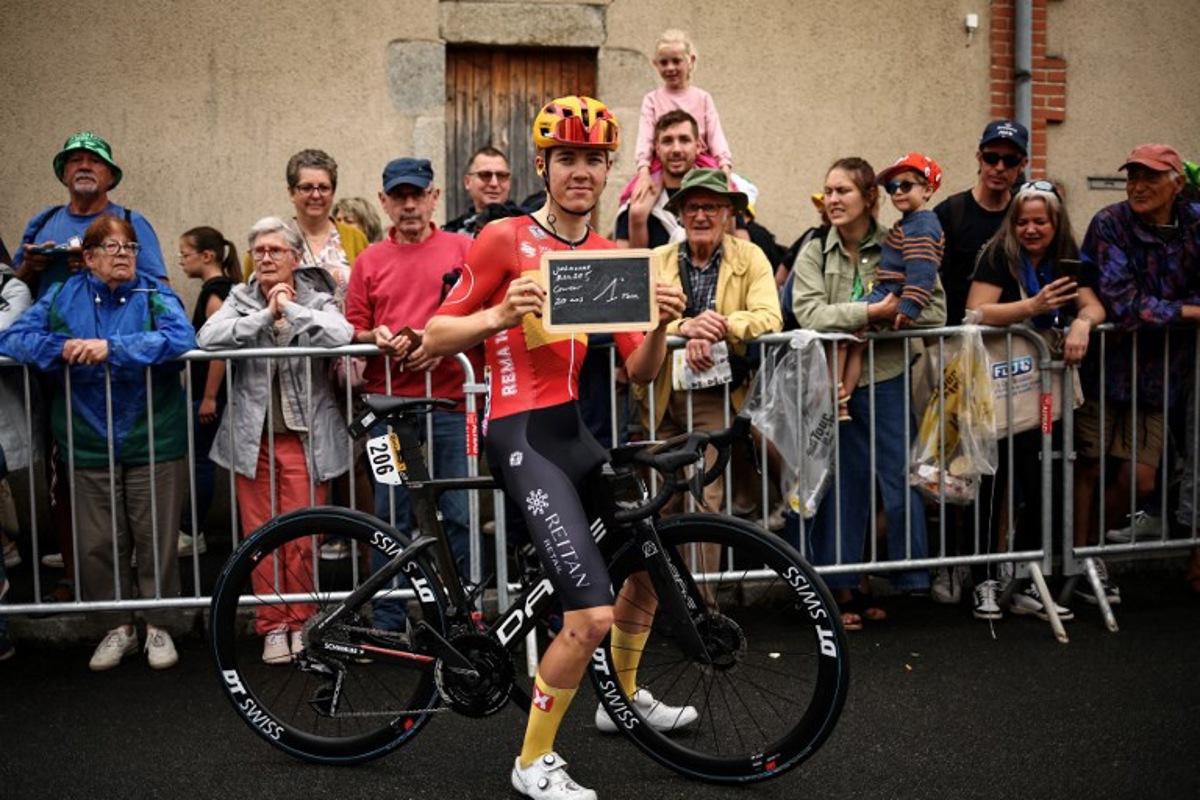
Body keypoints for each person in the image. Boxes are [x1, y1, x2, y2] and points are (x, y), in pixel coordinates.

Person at [424, 95, 688, 800]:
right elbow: (434, 336)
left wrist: (662, 327)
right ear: (543, 166)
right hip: (520, 436)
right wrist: (497, 314)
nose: (580, 171)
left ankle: (619, 699)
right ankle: (532, 760)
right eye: (566, 157)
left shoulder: (608, 256)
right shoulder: (504, 238)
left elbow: (639, 371)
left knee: (644, 568)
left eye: (593, 160)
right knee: (590, 615)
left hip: (575, 432)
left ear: (607, 171)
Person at [0, 215, 194, 670]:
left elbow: (181, 337)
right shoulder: (61, 295)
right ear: (88, 258)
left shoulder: (154, 292)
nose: (123, 255)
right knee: (97, 541)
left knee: (155, 536)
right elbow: (14, 337)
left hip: (153, 435)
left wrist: (114, 349)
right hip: (86, 436)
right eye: (111, 247)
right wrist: (62, 349)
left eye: (129, 247)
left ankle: (159, 624)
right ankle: (117, 625)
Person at [792, 157, 946, 630]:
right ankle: (842, 585)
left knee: (900, 479)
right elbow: (808, 314)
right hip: (831, 383)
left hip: (887, 377)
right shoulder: (815, 250)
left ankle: (906, 579)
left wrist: (881, 315)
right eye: (828, 191)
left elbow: (936, 311)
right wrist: (870, 313)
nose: (833, 200)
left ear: (869, 197)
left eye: (843, 191)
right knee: (843, 485)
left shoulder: (900, 240)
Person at [197, 217, 353, 664]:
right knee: (259, 537)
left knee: (302, 536)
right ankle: (272, 625)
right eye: (259, 250)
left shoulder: (317, 295)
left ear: (295, 257)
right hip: (253, 441)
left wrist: (290, 308)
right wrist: (265, 316)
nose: (266, 258)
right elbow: (207, 338)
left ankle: (302, 621)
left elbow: (341, 334)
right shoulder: (240, 298)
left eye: (275, 250)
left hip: (305, 440)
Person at [343, 157, 476, 629]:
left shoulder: (464, 248)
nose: (409, 204)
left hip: (450, 404)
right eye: (399, 196)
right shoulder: (369, 260)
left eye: (417, 194)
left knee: (457, 513)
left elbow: (485, 316)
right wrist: (374, 336)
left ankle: (460, 613)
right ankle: (388, 616)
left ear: (434, 198)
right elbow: (353, 328)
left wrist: (443, 346)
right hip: (388, 408)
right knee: (389, 515)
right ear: (384, 202)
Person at [965, 181, 1105, 621]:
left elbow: (1093, 305)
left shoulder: (1067, 258)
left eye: (1039, 221)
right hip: (1001, 385)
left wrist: (1082, 323)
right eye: (1022, 221)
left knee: (1043, 482)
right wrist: (1032, 306)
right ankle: (985, 580)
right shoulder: (998, 254)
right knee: (993, 484)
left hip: (1044, 391)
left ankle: (1027, 580)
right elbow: (977, 311)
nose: (1030, 229)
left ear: (1056, 223)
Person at [1077, 144, 1200, 604]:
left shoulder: (1195, 222)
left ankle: (1089, 554)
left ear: (1177, 183)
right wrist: (1190, 312)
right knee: (1088, 467)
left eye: (1150, 177)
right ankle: (1079, 564)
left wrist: (1174, 312)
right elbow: (1125, 303)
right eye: (1132, 176)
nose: (1138, 186)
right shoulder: (1109, 222)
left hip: (1161, 376)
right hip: (1104, 367)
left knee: (1141, 480)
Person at [634, 168, 782, 514]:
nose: (701, 216)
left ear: (728, 213)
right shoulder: (657, 259)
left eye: (711, 207)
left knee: (704, 496)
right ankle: (666, 554)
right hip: (660, 390)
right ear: (680, 215)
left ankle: (703, 556)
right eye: (692, 207)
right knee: (662, 499)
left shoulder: (751, 256)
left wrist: (719, 326)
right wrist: (686, 327)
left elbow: (769, 316)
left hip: (713, 394)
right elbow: (637, 320)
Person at [928, 119, 1029, 604]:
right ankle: (950, 563)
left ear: (1022, 165)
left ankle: (990, 563)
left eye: (1010, 160)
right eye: (992, 157)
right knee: (951, 465)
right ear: (979, 158)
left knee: (1000, 468)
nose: (1000, 167)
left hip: (1012, 357)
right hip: (955, 355)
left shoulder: (1026, 214)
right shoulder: (950, 213)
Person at [834, 153, 945, 422]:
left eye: (906, 185)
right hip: (888, 290)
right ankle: (842, 401)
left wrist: (908, 307)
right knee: (856, 343)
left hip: (891, 292)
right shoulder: (910, 223)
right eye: (892, 187)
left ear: (928, 190)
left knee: (841, 335)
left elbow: (922, 272)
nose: (898, 192)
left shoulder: (922, 226)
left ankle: (836, 397)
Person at [13, 132, 168, 299]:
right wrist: (30, 267)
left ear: (111, 177)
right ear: (64, 175)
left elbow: (162, 293)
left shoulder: (131, 222)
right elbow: (12, 291)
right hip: (48, 317)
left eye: (95, 161)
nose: (84, 167)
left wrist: (101, 269)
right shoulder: (43, 220)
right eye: (75, 160)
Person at [176, 226, 241, 557]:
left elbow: (220, 348)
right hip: (210, 394)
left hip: (211, 395)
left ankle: (192, 531)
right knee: (201, 460)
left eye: (185, 254)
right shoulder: (222, 290)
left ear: (207, 256)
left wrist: (210, 397)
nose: (181, 261)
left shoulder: (216, 294)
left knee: (201, 462)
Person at [241, 149, 369, 306]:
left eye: (323, 188)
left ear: (333, 192)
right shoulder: (267, 240)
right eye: (306, 188)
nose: (316, 195)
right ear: (291, 193)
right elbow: (248, 300)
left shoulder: (356, 238)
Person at [630, 29, 732, 203]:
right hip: (662, 165)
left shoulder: (703, 98)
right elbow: (645, 138)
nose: (670, 68)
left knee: (728, 203)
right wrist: (644, 171)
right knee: (638, 210)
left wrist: (724, 167)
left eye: (676, 61)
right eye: (664, 62)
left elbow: (716, 136)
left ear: (690, 60)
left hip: (700, 163)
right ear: (655, 64)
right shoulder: (652, 99)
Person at [444, 146, 526, 237]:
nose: (494, 183)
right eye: (485, 175)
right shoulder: (452, 233)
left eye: (502, 175)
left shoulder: (529, 229)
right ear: (467, 182)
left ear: (509, 182)